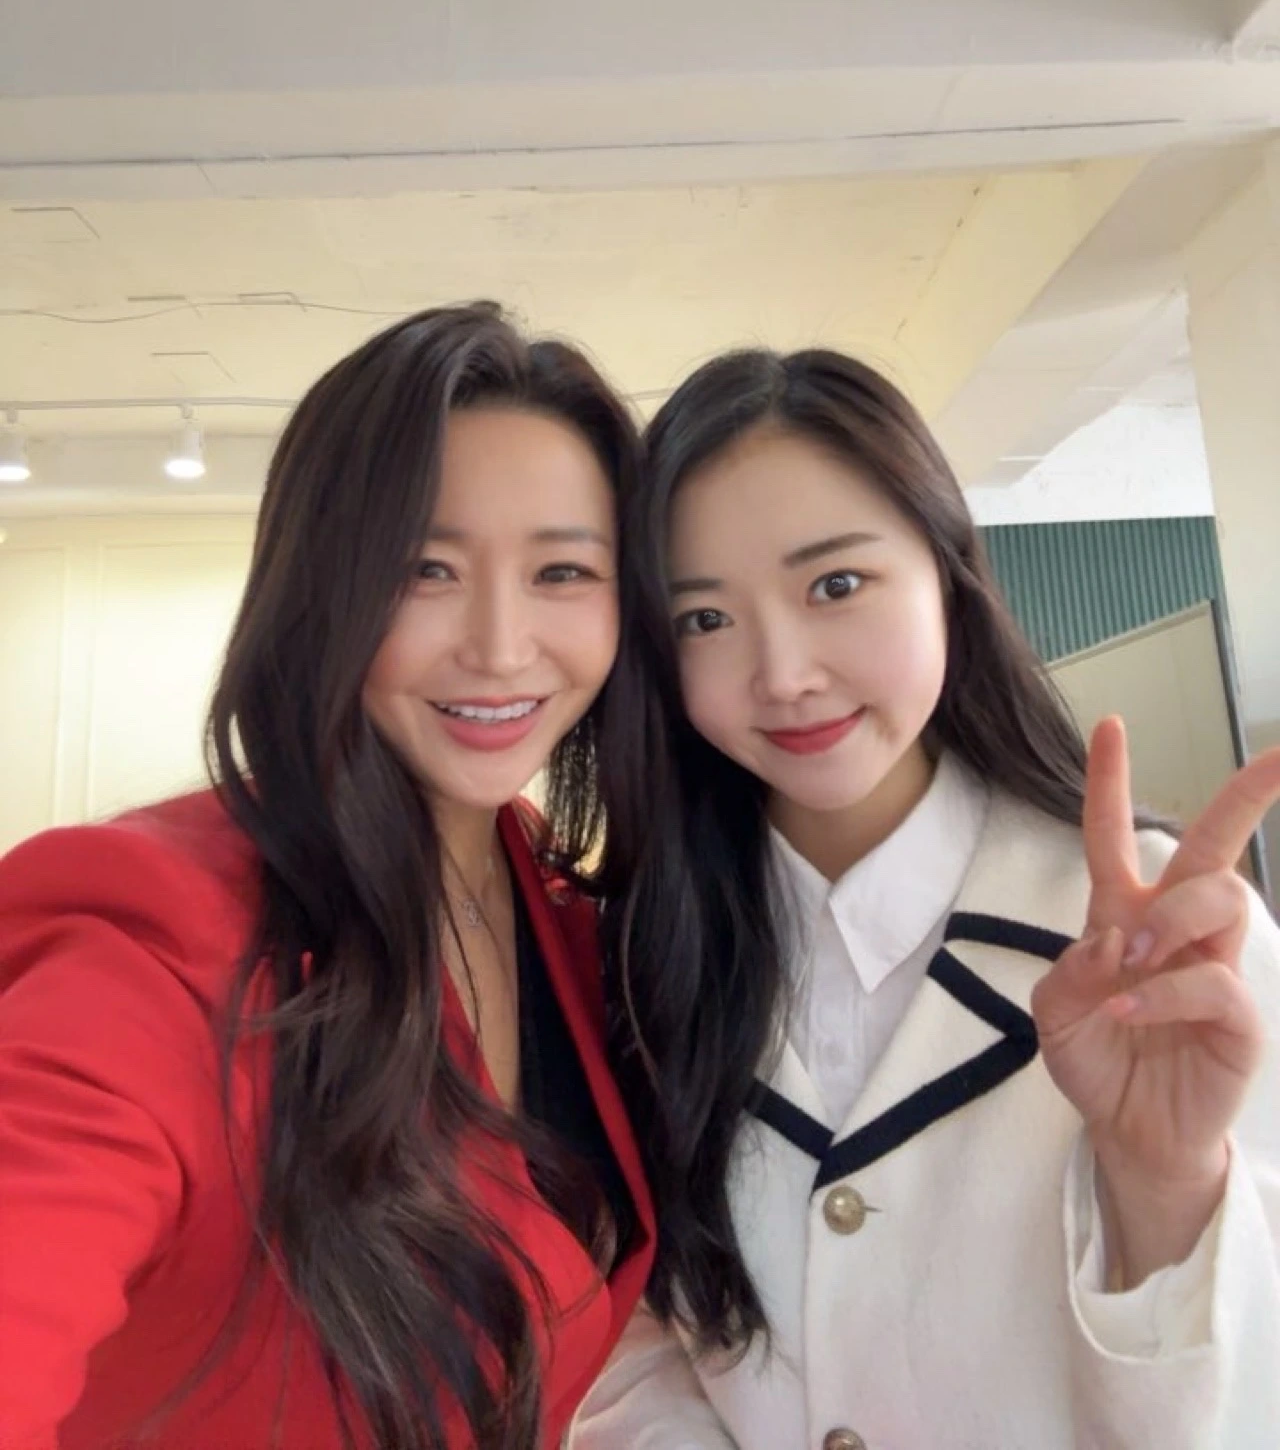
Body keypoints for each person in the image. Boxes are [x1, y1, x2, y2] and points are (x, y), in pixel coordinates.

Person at [572, 345, 1280, 1450]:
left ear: (946, 573)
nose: (782, 674)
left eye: (835, 586)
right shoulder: (639, 954)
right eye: (703, 619)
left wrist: (1164, 1184)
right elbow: (637, 1336)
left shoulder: (1159, 940)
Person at [0, 303, 658, 1450]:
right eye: (425, 569)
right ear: (321, 589)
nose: (500, 646)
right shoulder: (150, 927)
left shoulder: (561, 908)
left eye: (561, 570)